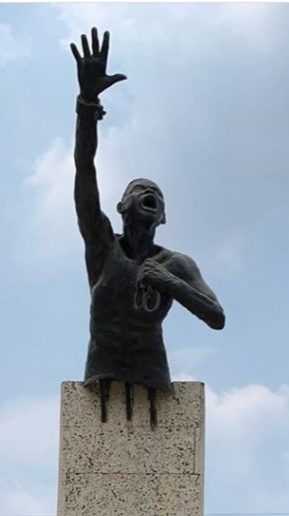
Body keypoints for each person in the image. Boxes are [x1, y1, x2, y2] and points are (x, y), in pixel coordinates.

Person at [71, 27, 225, 425]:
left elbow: (216, 316)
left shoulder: (176, 264)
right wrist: (87, 105)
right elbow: (84, 171)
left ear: (162, 216)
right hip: (102, 377)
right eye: (138, 190)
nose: (147, 193)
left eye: (155, 194)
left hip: (152, 378)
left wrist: (169, 282)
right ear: (122, 206)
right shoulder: (103, 247)